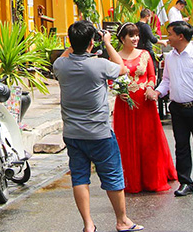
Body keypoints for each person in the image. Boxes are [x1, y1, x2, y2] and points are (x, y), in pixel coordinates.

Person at [54, 21, 143, 232]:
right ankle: (122, 221)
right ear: (91, 43)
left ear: (70, 41)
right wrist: (107, 42)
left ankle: (88, 224)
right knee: (112, 176)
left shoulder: (61, 65)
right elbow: (122, 68)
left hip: (73, 134)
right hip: (99, 133)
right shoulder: (100, 65)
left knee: (79, 178)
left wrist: (75, 44)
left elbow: (65, 55)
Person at [145, 21, 193, 197]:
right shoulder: (170, 57)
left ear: (180, 36)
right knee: (181, 146)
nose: (167, 38)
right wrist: (157, 92)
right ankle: (185, 182)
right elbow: (167, 80)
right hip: (177, 109)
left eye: (170, 34)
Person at [114, 23, 177, 193]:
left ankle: (152, 177)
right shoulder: (116, 57)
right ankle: (132, 179)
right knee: (127, 142)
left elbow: (151, 75)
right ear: (122, 39)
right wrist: (119, 91)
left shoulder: (145, 54)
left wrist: (150, 87)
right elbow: (111, 79)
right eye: (131, 36)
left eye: (136, 35)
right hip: (125, 104)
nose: (135, 39)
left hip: (144, 103)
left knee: (148, 140)